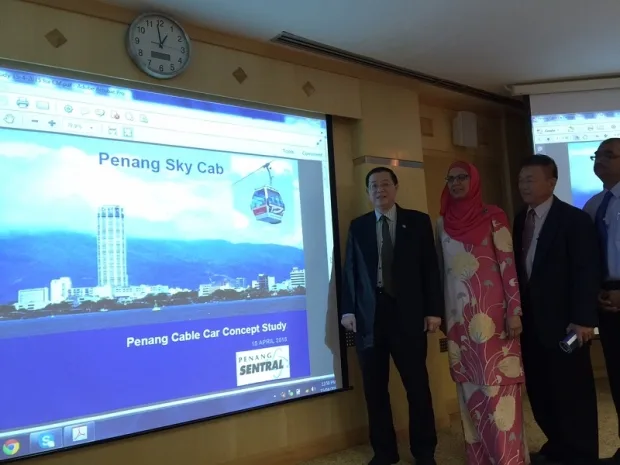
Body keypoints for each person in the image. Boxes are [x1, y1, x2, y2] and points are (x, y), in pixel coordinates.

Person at [340, 166, 443, 465]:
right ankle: (385, 452)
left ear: (396, 188)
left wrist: (433, 310)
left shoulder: (418, 222)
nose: (379, 190)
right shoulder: (358, 226)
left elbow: (430, 269)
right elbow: (350, 272)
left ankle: (424, 452)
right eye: (373, 186)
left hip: (408, 316)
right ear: (368, 192)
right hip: (369, 318)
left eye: (385, 184)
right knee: (375, 390)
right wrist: (348, 309)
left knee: (417, 388)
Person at [436, 161, 527, 465]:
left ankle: (508, 458)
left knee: (497, 386)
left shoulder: (494, 216)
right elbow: (442, 273)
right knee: (469, 388)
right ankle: (480, 458)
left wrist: (514, 311)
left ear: (474, 180)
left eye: (462, 177)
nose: (456, 183)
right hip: (458, 319)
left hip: (495, 317)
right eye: (451, 178)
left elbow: (508, 265)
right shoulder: (442, 223)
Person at [514, 154, 600, 465]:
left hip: (567, 324)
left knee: (573, 390)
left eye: (531, 179)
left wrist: (583, 319)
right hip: (531, 324)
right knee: (541, 389)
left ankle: (582, 453)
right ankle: (557, 445)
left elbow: (585, 271)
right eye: (521, 180)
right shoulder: (519, 219)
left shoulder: (573, 219)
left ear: (551, 183)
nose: (524, 185)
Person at [583, 138, 620, 464]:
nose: (600, 160)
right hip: (606, 300)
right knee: (617, 378)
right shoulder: (593, 205)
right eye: (597, 155)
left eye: (609, 154)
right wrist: (594, 289)